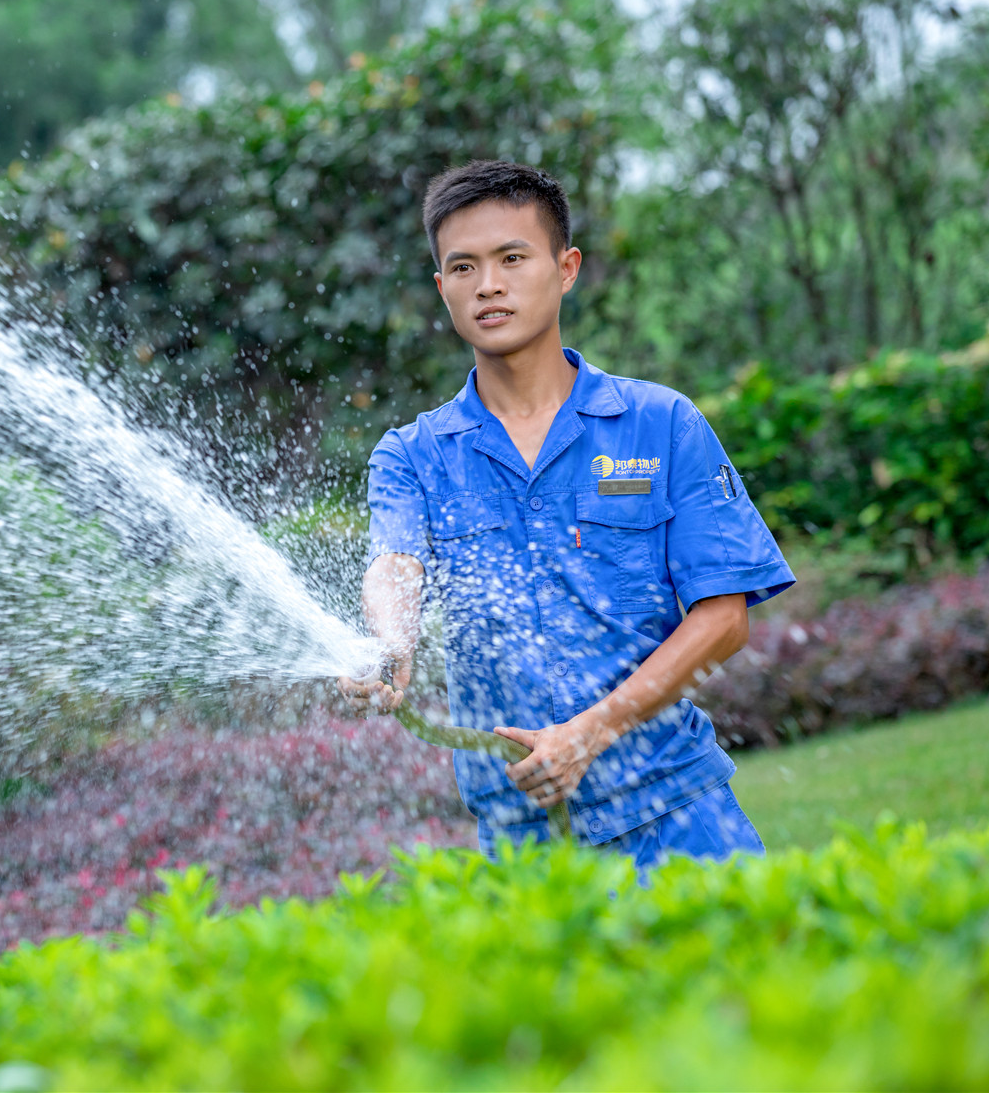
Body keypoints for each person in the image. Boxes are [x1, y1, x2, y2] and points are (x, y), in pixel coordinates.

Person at [338, 160, 794, 871]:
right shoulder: (413, 455)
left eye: (512, 258)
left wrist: (591, 732)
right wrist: (391, 645)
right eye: (462, 267)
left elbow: (724, 618)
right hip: (527, 846)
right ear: (442, 289)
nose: (487, 284)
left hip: (677, 814)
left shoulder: (660, 423)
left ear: (566, 267)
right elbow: (396, 563)